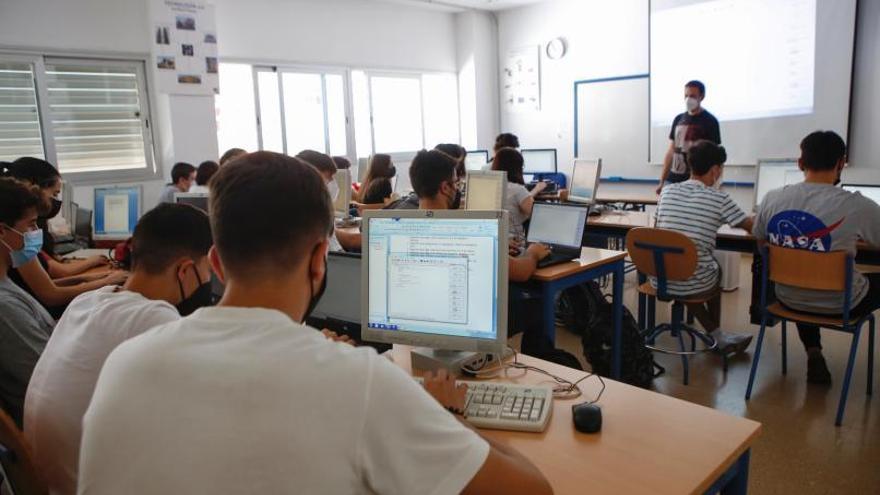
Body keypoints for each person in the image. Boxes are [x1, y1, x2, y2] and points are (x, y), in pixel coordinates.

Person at [78, 152, 552, 495]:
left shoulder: (125, 362)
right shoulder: (359, 381)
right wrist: (449, 416)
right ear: (319, 259)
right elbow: (533, 490)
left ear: (216, 263)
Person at [24, 203, 212, 495]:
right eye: (208, 271)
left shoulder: (87, 301)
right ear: (185, 270)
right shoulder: (153, 319)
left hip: (55, 481)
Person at [753, 130, 880, 384]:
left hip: (787, 297)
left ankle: (814, 352)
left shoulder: (772, 198)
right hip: (843, 304)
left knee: (804, 275)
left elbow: (760, 242)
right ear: (841, 164)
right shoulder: (856, 205)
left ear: (800, 164)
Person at [654, 140, 753, 354]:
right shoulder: (719, 198)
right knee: (713, 270)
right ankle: (717, 338)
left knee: (693, 265)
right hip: (691, 281)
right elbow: (751, 227)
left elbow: (657, 229)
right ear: (716, 170)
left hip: (659, 276)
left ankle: (716, 335)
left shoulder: (667, 192)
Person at [2, 159, 127, 318]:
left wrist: (92, 278)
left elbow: (45, 284)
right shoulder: (18, 240)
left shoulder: (22, 233)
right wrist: (105, 283)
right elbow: (50, 294)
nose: (56, 200)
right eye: (54, 194)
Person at [409, 149, 549, 283]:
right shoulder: (468, 233)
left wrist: (495, 248)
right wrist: (533, 253)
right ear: (445, 188)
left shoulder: (407, 229)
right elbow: (521, 272)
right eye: (456, 182)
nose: (457, 188)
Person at [0, 177, 55, 428]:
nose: (36, 233)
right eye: (31, 225)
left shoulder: (6, 282)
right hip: (49, 423)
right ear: (2, 231)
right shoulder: (4, 307)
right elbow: (52, 379)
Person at [657, 80, 721, 194]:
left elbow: (716, 156)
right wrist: (662, 180)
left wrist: (716, 184)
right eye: (686, 96)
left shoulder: (710, 121)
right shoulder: (678, 119)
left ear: (701, 97)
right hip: (673, 179)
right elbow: (671, 151)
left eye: (692, 96)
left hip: (698, 181)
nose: (688, 99)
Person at [295, 150, 360, 252]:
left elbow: (333, 239)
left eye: (332, 178)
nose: (333, 184)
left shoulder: (319, 211)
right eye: (327, 178)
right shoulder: (305, 217)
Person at [492, 148, 546, 243]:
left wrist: (535, 191)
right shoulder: (517, 190)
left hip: (494, 241)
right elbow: (538, 218)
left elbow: (520, 199)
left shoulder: (490, 186)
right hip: (515, 244)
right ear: (517, 167)